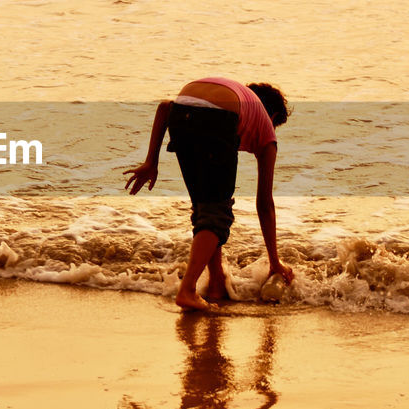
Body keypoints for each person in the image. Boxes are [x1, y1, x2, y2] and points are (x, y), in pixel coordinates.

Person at [124, 77, 293, 311]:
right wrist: (275, 263)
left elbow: (165, 107)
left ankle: (216, 281)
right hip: (216, 118)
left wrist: (151, 161)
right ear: (272, 117)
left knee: (205, 206)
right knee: (218, 214)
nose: (270, 131)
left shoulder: (237, 95)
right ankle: (188, 290)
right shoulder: (264, 126)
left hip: (182, 111)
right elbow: (265, 204)